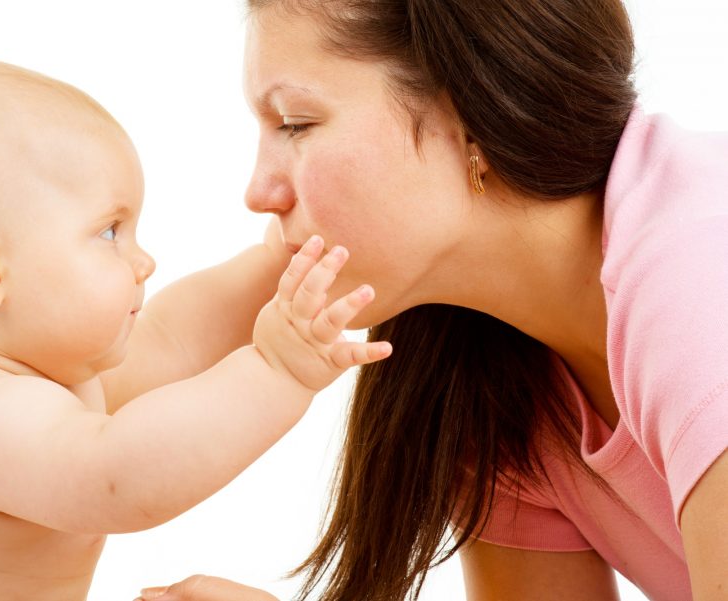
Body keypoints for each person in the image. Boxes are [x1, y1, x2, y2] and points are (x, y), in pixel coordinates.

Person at [138, 1, 728, 600]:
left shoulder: (702, 273)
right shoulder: (488, 377)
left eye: (296, 123)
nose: (259, 192)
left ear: (480, 108)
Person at [0, 58, 392, 599]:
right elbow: (118, 479)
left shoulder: (42, 377)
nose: (143, 261)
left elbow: (176, 337)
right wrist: (277, 371)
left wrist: (276, 261)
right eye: (109, 232)